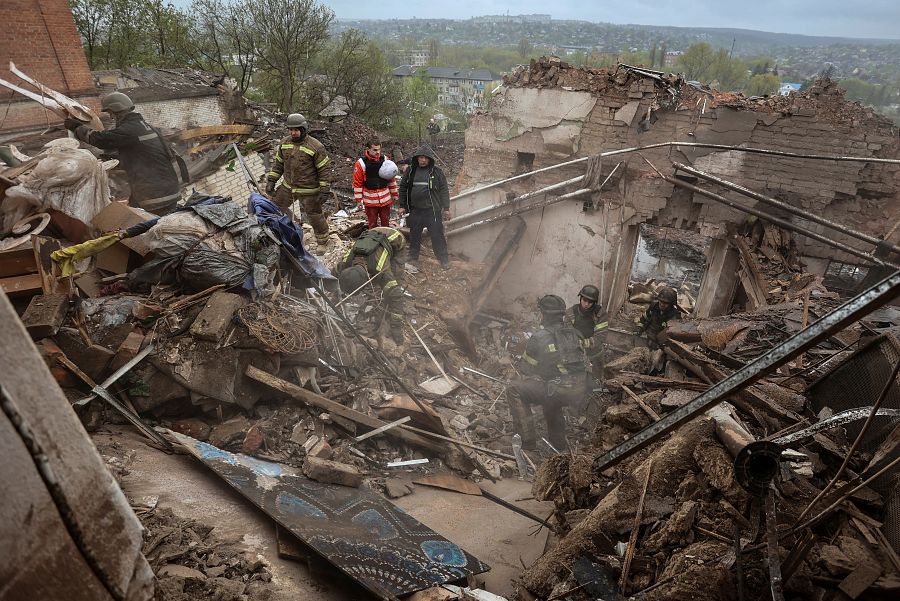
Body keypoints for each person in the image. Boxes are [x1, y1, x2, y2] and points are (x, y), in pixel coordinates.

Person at [65, 92, 184, 215]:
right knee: (134, 213)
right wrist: (118, 158)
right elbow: (143, 153)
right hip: (165, 187)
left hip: (156, 193)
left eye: (111, 113)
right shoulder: (143, 126)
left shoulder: (130, 129)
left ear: (117, 110)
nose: (111, 117)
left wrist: (78, 128)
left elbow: (101, 140)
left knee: (146, 224)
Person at [509, 295, 590, 451]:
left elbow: (527, 369)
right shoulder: (576, 334)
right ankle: (558, 444)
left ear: (544, 314)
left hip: (558, 390)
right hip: (579, 390)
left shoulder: (540, 337)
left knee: (514, 390)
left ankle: (527, 444)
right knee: (551, 395)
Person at [266, 113, 332, 248]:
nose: (293, 133)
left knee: (315, 216)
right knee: (274, 210)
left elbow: (324, 170)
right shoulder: (284, 143)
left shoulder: (316, 146)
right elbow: (278, 164)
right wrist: (272, 180)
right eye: (290, 130)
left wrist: (324, 190)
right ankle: (271, 236)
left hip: (309, 189)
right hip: (287, 187)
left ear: (303, 129)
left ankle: (323, 242)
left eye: (296, 130)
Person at [335, 226, 406, 344]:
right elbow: (333, 274)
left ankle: (390, 307)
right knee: (386, 284)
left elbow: (397, 296)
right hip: (372, 235)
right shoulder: (345, 263)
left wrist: (396, 327)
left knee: (394, 285)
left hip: (394, 237)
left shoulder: (380, 270)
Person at [397, 145, 451, 270]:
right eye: (421, 157)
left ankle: (443, 259)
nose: (423, 160)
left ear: (430, 159)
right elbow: (403, 188)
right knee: (415, 234)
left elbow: (444, 190)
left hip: (433, 211)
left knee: (437, 235)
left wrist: (446, 208)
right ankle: (412, 257)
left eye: (426, 158)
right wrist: (402, 206)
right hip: (415, 210)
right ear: (417, 158)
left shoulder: (437, 172)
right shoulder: (411, 171)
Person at [353, 141, 399, 229]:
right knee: (372, 223)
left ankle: (385, 239)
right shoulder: (361, 163)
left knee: (385, 222)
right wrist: (358, 200)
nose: (377, 152)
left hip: (385, 199)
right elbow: (357, 183)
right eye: (374, 150)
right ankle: (373, 240)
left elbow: (391, 179)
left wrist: (394, 194)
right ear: (368, 149)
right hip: (370, 200)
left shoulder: (385, 160)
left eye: (379, 150)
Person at [568, 284, 609, 378]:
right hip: (575, 354)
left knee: (595, 383)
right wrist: (574, 344)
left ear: (594, 302)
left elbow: (600, 337)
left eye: (590, 302)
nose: (586, 304)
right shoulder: (570, 313)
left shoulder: (600, 314)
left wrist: (581, 343)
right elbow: (567, 334)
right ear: (580, 298)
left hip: (595, 354)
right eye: (584, 300)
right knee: (575, 381)